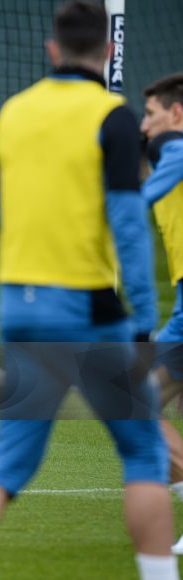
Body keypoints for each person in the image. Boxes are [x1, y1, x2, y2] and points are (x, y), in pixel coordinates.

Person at [0, 0, 175, 580]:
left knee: (8, 463)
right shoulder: (114, 115)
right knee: (144, 455)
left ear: (51, 49)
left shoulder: (12, 113)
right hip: (89, 312)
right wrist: (143, 319)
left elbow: (2, 207)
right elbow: (127, 223)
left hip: (19, 307)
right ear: (109, 50)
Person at [138, 72, 183, 554]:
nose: (144, 125)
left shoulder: (177, 153)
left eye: (149, 114)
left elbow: (136, 201)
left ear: (176, 114)